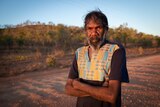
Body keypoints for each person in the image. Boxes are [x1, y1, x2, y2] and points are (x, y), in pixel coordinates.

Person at [65, 9, 129, 107]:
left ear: (106, 29)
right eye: (89, 28)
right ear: (85, 31)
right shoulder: (79, 52)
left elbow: (111, 95)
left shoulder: (116, 50)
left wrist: (79, 85)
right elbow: (68, 89)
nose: (93, 32)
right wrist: (99, 90)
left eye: (98, 28)